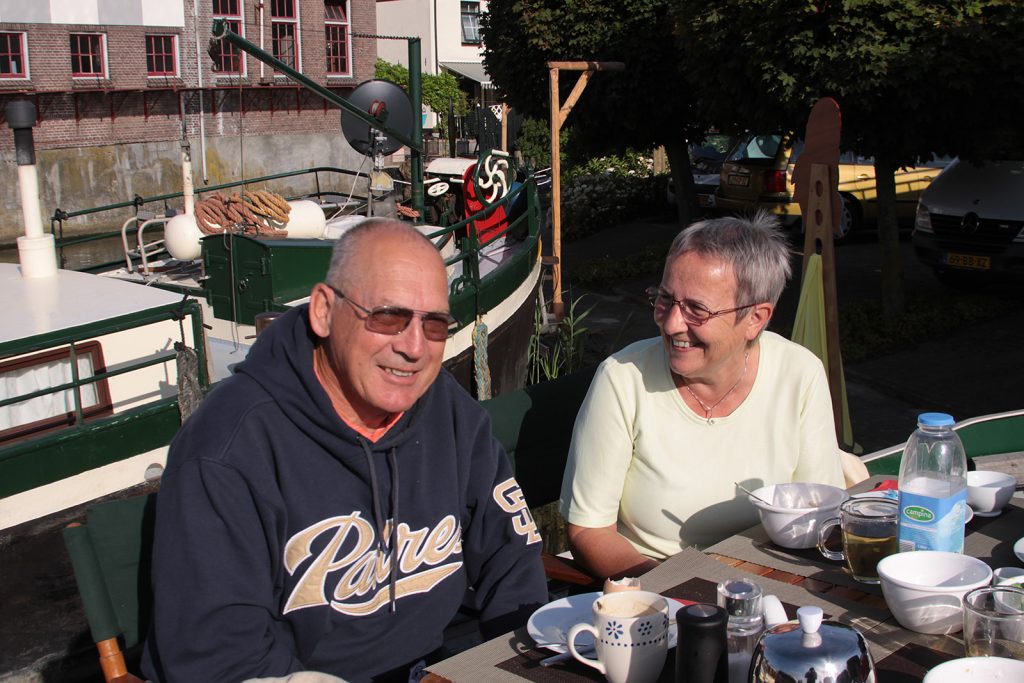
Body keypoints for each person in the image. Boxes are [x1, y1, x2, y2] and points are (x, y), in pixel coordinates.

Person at [142, 219, 547, 682]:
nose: (414, 347)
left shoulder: (448, 410)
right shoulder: (228, 449)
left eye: (434, 324)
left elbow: (511, 556)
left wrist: (521, 666)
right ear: (323, 311)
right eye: (388, 317)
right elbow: (220, 655)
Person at [559, 213, 845, 580]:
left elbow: (820, 512)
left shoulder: (799, 373)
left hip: (770, 584)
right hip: (658, 594)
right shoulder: (623, 380)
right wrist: (683, 595)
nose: (671, 322)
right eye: (665, 299)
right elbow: (588, 531)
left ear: (756, 318)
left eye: (697, 309)